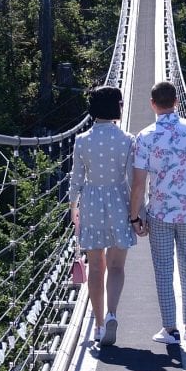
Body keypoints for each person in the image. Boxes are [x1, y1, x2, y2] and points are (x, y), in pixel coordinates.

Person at [130, 79, 186, 345]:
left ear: (152, 105)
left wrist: (135, 216)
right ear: (177, 102)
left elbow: (139, 183)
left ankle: (170, 330)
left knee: (164, 271)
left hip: (160, 213)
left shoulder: (145, 137)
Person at [68, 84, 136, 345]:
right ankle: (111, 314)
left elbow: (76, 179)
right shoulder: (127, 140)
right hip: (119, 201)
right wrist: (138, 213)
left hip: (92, 203)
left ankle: (97, 326)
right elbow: (133, 179)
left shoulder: (82, 140)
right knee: (117, 266)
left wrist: (74, 208)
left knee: (96, 268)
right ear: (116, 107)